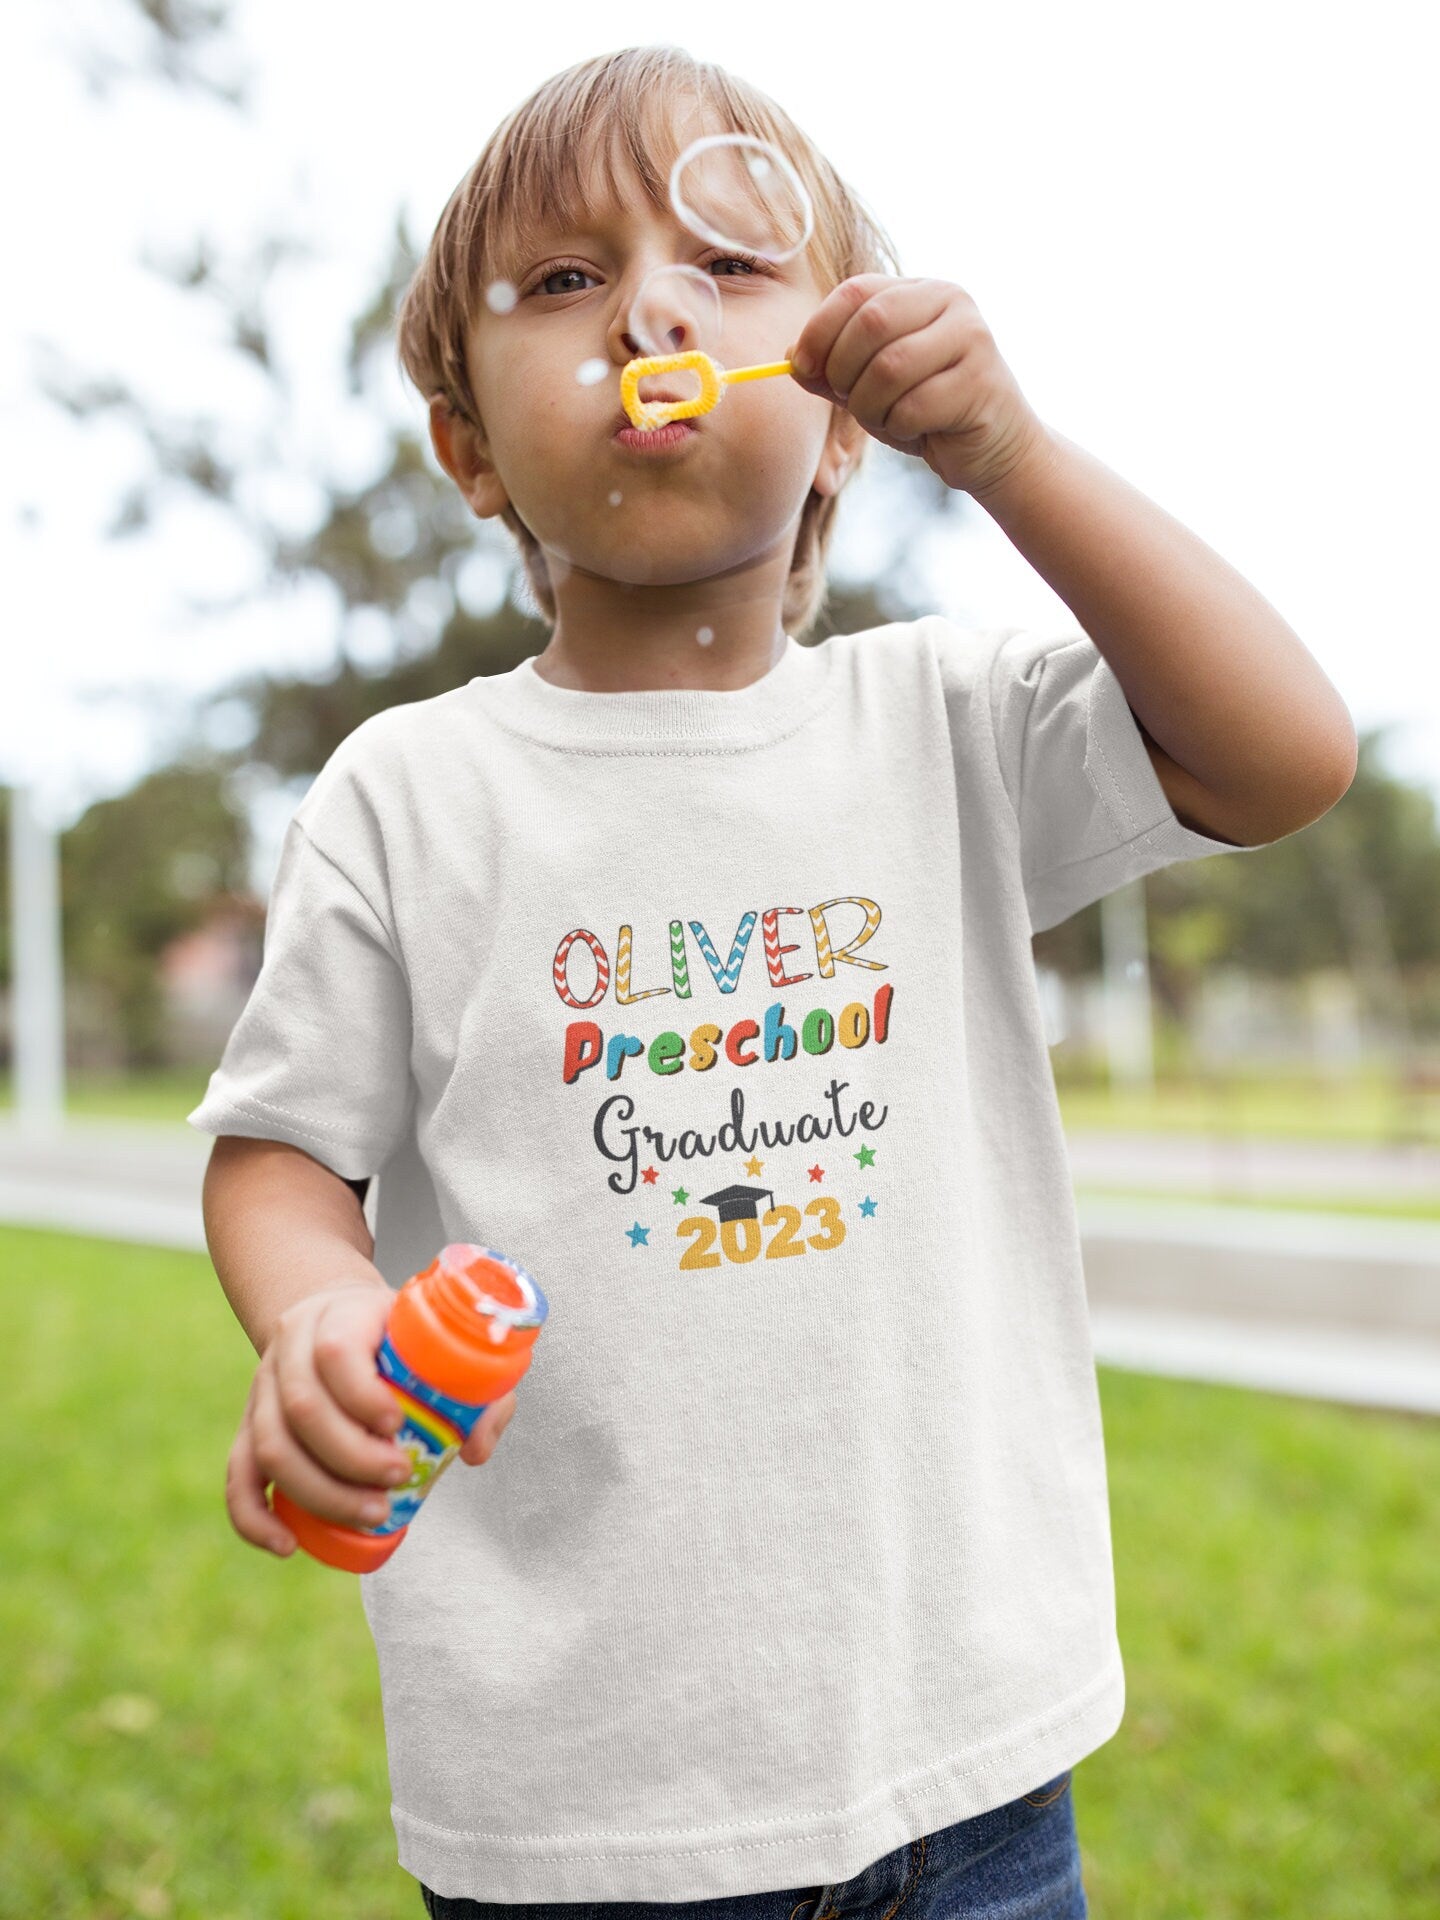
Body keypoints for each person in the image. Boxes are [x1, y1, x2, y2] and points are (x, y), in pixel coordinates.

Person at [189, 44, 1357, 1920]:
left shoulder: (950, 722)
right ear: (469, 445)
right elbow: (279, 1153)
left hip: (969, 1771)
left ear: (843, 406)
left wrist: (1019, 459)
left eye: (729, 263)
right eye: (565, 282)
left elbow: (1282, 756)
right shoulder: (413, 795)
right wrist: (319, 1314)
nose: (651, 304)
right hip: (577, 1809)